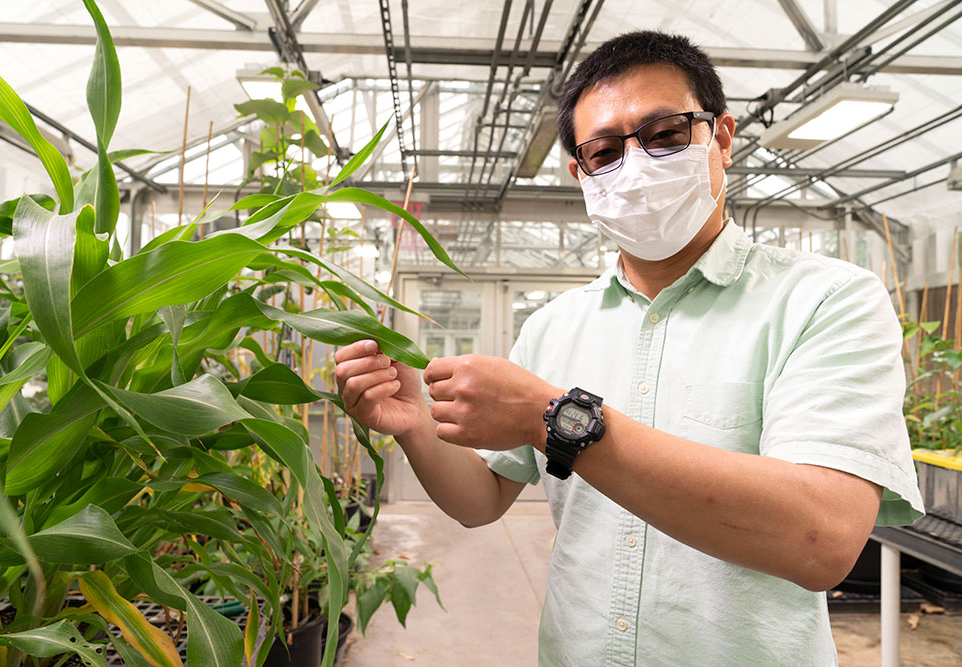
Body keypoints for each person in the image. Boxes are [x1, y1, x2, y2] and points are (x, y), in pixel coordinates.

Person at [335, 30, 924, 666]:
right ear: (580, 173)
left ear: (721, 138)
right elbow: (481, 500)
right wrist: (415, 424)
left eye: (665, 134)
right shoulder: (555, 325)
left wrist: (552, 416)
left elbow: (821, 539)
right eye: (605, 150)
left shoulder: (824, 300)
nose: (635, 165)